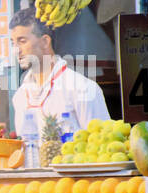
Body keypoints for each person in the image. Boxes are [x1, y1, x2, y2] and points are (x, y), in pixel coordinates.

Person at [8, 8, 110, 139]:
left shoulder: (83, 89)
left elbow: (102, 145)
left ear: (45, 41)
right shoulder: (20, 97)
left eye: (22, 41)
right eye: (13, 43)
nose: (16, 51)